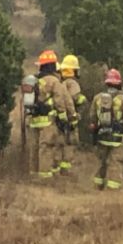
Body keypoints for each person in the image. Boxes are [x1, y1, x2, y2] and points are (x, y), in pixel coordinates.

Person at [27, 50, 75, 180]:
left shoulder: (35, 81)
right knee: (46, 148)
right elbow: (60, 101)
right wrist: (64, 119)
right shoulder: (54, 81)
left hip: (33, 120)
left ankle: (33, 174)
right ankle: (45, 178)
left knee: (34, 148)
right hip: (48, 121)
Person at [88, 68, 123, 191]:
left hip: (102, 137)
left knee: (101, 163)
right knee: (115, 163)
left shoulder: (98, 98)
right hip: (117, 139)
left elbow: (92, 117)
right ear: (119, 83)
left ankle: (97, 188)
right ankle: (112, 190)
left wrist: (95, 131)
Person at [58, 54, 88, 176]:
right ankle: (65, 171)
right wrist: (83, 100)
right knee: (70, 144)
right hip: (71, 119)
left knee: (60, 144)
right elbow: (74, 99)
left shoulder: (60, 83)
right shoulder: (73, 84)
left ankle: (59, 168)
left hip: (60, 118)